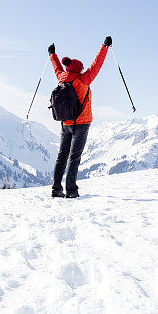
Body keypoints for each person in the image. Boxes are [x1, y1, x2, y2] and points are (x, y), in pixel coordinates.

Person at [48, 36, 112, 198]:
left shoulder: (62, 78)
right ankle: (71, 191)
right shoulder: (84, 79)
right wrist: (105, 46)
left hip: (65, 123)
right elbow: (97, 64)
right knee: (74, 157)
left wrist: (52, 54)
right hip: (81, 124)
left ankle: (56, 189)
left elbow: (56, 67)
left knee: (62, 156)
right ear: (79, 69)